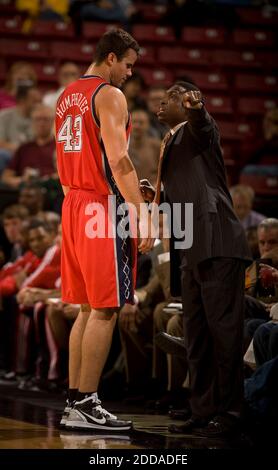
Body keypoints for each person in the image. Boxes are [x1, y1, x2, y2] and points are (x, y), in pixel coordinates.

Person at [55, 28, 154, 431]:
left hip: (72, 202)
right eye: (128, 64)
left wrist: (89, 195)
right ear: (111, 58)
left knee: (85, 308)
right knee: (107, 308)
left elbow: (69, 163)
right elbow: (120, 161)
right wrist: (141, 212)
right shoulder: (108, 95)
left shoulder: (66, 96)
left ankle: (75, 401)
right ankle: (88, 403)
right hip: (100, 207)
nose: (130, 73)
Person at [143, 81, 252, 437]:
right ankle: (202, 409)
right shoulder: (171, 140)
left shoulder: (196, 128)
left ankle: (232, 412)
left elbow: (204, 126)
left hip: (216, 241)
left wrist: (196, 107)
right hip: (190, 246)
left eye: (167, 99)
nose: (159, 105)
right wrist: (154, 196)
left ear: (184, 102)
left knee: (224, 334)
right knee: (198, 334)